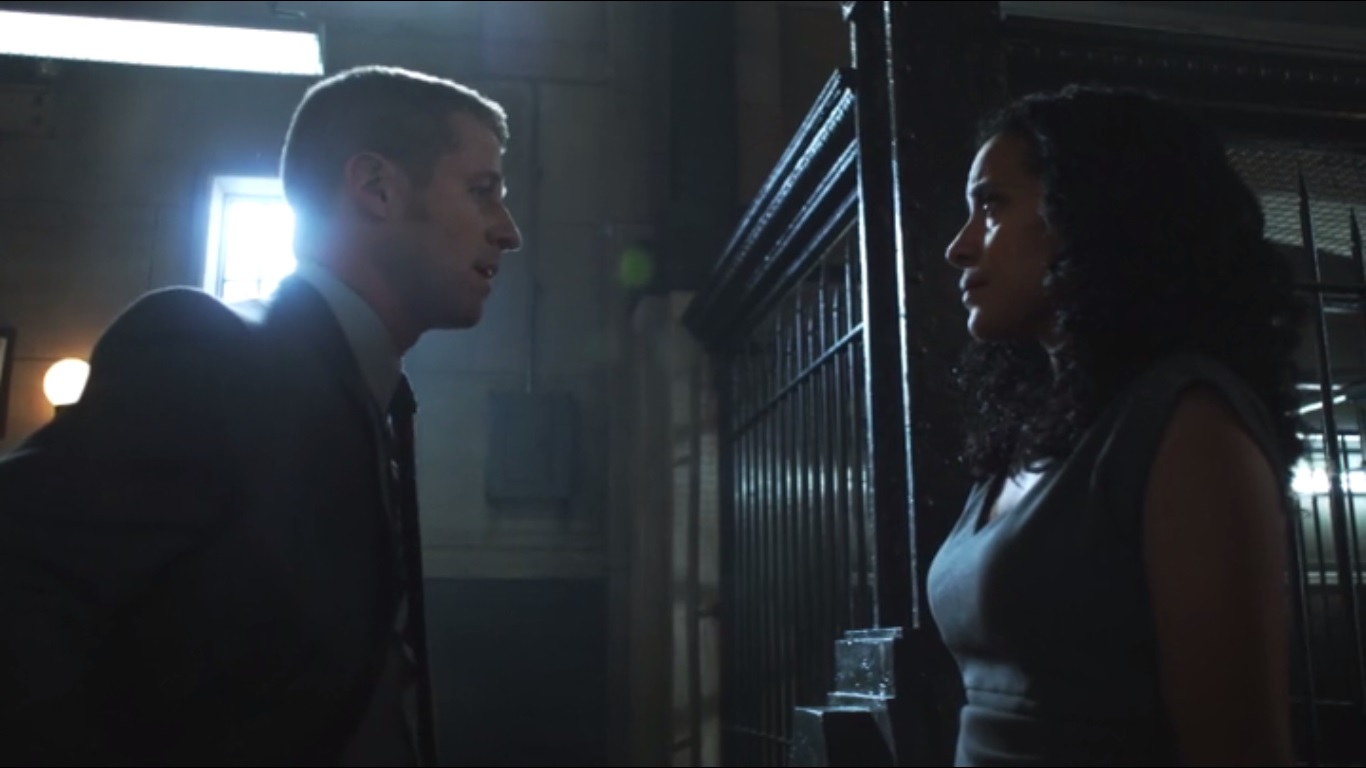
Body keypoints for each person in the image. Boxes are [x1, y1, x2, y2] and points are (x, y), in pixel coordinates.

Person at [0, 65, 522, 766]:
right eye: (483, 191)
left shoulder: (364, 396)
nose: (508, 232)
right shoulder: (207, 355)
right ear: (376, 188)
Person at [926, 84, 1301, 766]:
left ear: (1090, 212)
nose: (959, 246)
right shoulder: (1037, 427)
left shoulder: (1187, 424)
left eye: (992, 206)